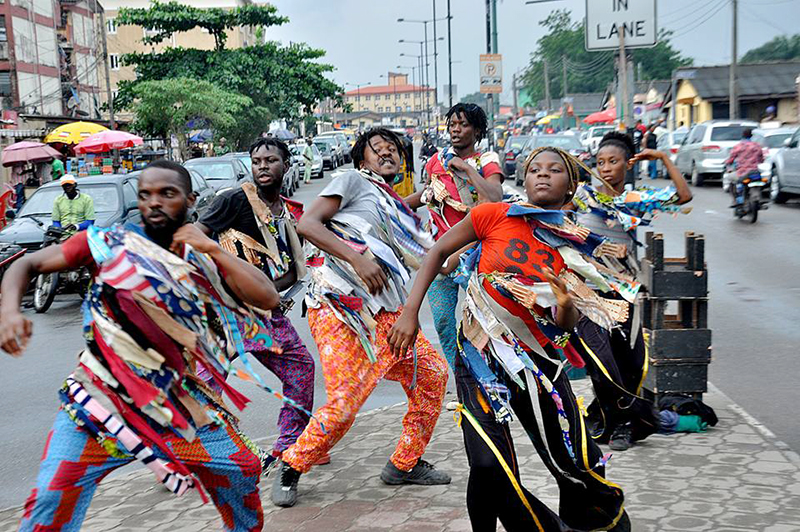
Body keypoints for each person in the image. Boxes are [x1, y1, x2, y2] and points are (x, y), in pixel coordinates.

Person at [0, 159, 284, 532]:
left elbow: (267, 298)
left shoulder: (201, 259)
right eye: (146, 195)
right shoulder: (107, 243)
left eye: (167, 194)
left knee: (242, 468)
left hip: (176, 407)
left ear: (189, 199)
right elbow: (28, 265)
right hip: (98, 405)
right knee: (51, 500)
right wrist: (8, 312)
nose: (154, 202)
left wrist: (212, 249)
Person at [388, 147, 631, 532]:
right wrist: (410, 312)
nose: (542, 174)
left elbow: (564, 326)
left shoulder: (572, 247)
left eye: (554, 169)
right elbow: (438, 251)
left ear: (571, 186)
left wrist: (565, 304)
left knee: (571, 457)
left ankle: (599, 521)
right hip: (480, 361)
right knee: (487, 463)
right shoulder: (492, 215)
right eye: (535, 169)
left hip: (541, 367)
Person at [272, 127, 451, 508]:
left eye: (394, 150)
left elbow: (428, 252)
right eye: (378, 149)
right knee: (346, 401)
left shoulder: (391, 203)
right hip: (341, 309)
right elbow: (308, 224)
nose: (387, 154)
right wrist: (357, 259)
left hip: (387, 313)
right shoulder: (351, 180)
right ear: (361, 159)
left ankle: (404, 463)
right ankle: (291, 465)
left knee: (432, 375)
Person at [197, 137, 318, 474]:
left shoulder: (284, 210)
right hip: (228, 313)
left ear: (286, 165)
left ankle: (290, 444)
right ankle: (187, 453)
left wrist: (273, 289)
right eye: (257, 161)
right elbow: (196, 235)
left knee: (301, 368)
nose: (263, 166)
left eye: (270, 160)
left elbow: (294, 267)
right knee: (201, 383)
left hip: (267, 313)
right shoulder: (235, 200)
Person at [571, 131, 692, 451]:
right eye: (600, 162)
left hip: (622, 288)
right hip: (585, 288)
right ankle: (618, 419)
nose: (606, 168)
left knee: (627, 358)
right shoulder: (582, 195)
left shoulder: (633, 200)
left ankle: (624, 423)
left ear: (628, 164)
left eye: (613, 161)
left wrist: (664, 159)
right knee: (599, 357)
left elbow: (683, 197)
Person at [405, 103, 503, 372]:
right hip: (439, 254)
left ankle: (494, 375)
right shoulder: (436, 161)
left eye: (463, 125)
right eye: (452, 125)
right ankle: (464, 382)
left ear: (478, 130)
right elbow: (427, 196)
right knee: (443, 323)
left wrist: (467, 169)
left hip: (476, 253)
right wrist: (393, 205)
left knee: (486, 319)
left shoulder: (486, 161)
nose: (456, 130)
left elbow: (495, 198)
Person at [724, 128, 764, 207]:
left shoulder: (738, 146)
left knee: (730, 179)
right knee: (758, 184)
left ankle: (735, 200)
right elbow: (761, 159)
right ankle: (757, 199)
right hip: (755, 171)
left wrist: (727, 163)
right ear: (751, 136)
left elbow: (731, 159)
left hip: (742, 172)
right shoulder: (756, 146)